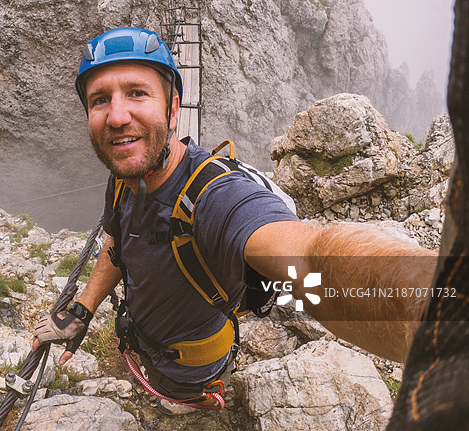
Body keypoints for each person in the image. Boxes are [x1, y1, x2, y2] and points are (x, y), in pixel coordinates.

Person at [32, 27, 436, 415]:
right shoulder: (124, 175)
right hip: (144, 344)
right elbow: (119, 242)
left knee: (179, 408)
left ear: (173, 109)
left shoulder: (215, 196)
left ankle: (199, 400)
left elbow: (309, 258)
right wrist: (82, 311)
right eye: (100, 100)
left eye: (137, 93)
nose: (117, 116)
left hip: (192, 372)